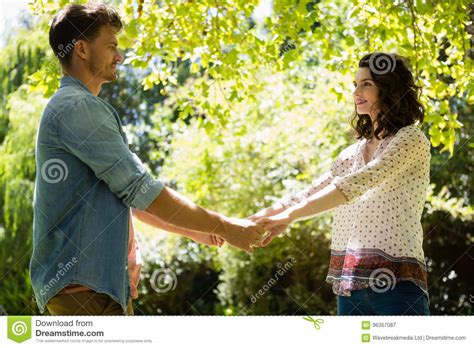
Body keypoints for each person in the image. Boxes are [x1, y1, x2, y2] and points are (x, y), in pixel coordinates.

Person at [30, 2, 264, 316]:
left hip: (93, 292)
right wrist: (227, 226)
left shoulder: (78, 107)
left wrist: (197, 229)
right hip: (84, 294)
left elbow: (130, 197)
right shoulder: (78, 108)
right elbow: (141, 190)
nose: (119, 56)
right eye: (111, 46)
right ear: (82, 50)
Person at [250, 52, 431, 316]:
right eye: (355, 84)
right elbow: (312, 190)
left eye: (366, 84)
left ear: (389, 87)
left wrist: (290, 216)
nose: (356, 91)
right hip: (350, 288)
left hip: (397, 285)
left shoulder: (411, 139)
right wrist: (256, 218)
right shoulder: (351, 153)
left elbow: (358, 182)